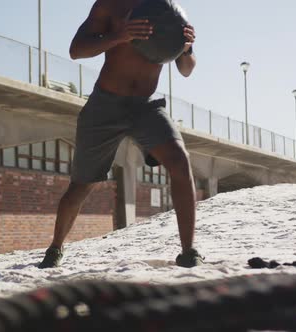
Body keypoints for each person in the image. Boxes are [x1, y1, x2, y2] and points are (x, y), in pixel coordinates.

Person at [39, 0, 202, 268]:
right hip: (105, 106)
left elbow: (186, 69)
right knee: (81, 185)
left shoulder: (170, 11)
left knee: (180, 162)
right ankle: (55, 248)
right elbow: (76, 50)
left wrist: (186, 49)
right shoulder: (109, 6)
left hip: (145, 106)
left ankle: (189, 251)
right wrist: (120, 35)